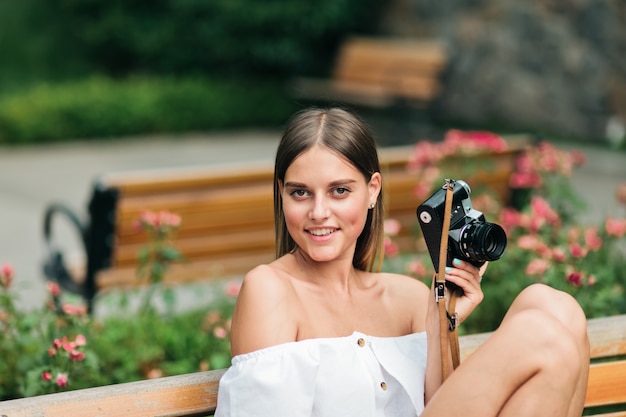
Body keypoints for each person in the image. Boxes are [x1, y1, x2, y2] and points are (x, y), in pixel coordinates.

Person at [215, 107, 590, 417]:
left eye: (339, 191)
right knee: (542, 336)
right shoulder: (271, 290)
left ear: (372, 191)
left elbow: (444, 405)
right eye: (300, 193)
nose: (319, 211)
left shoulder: (408, 298)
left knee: (555, 306)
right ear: (282, 194)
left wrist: (442, 320)